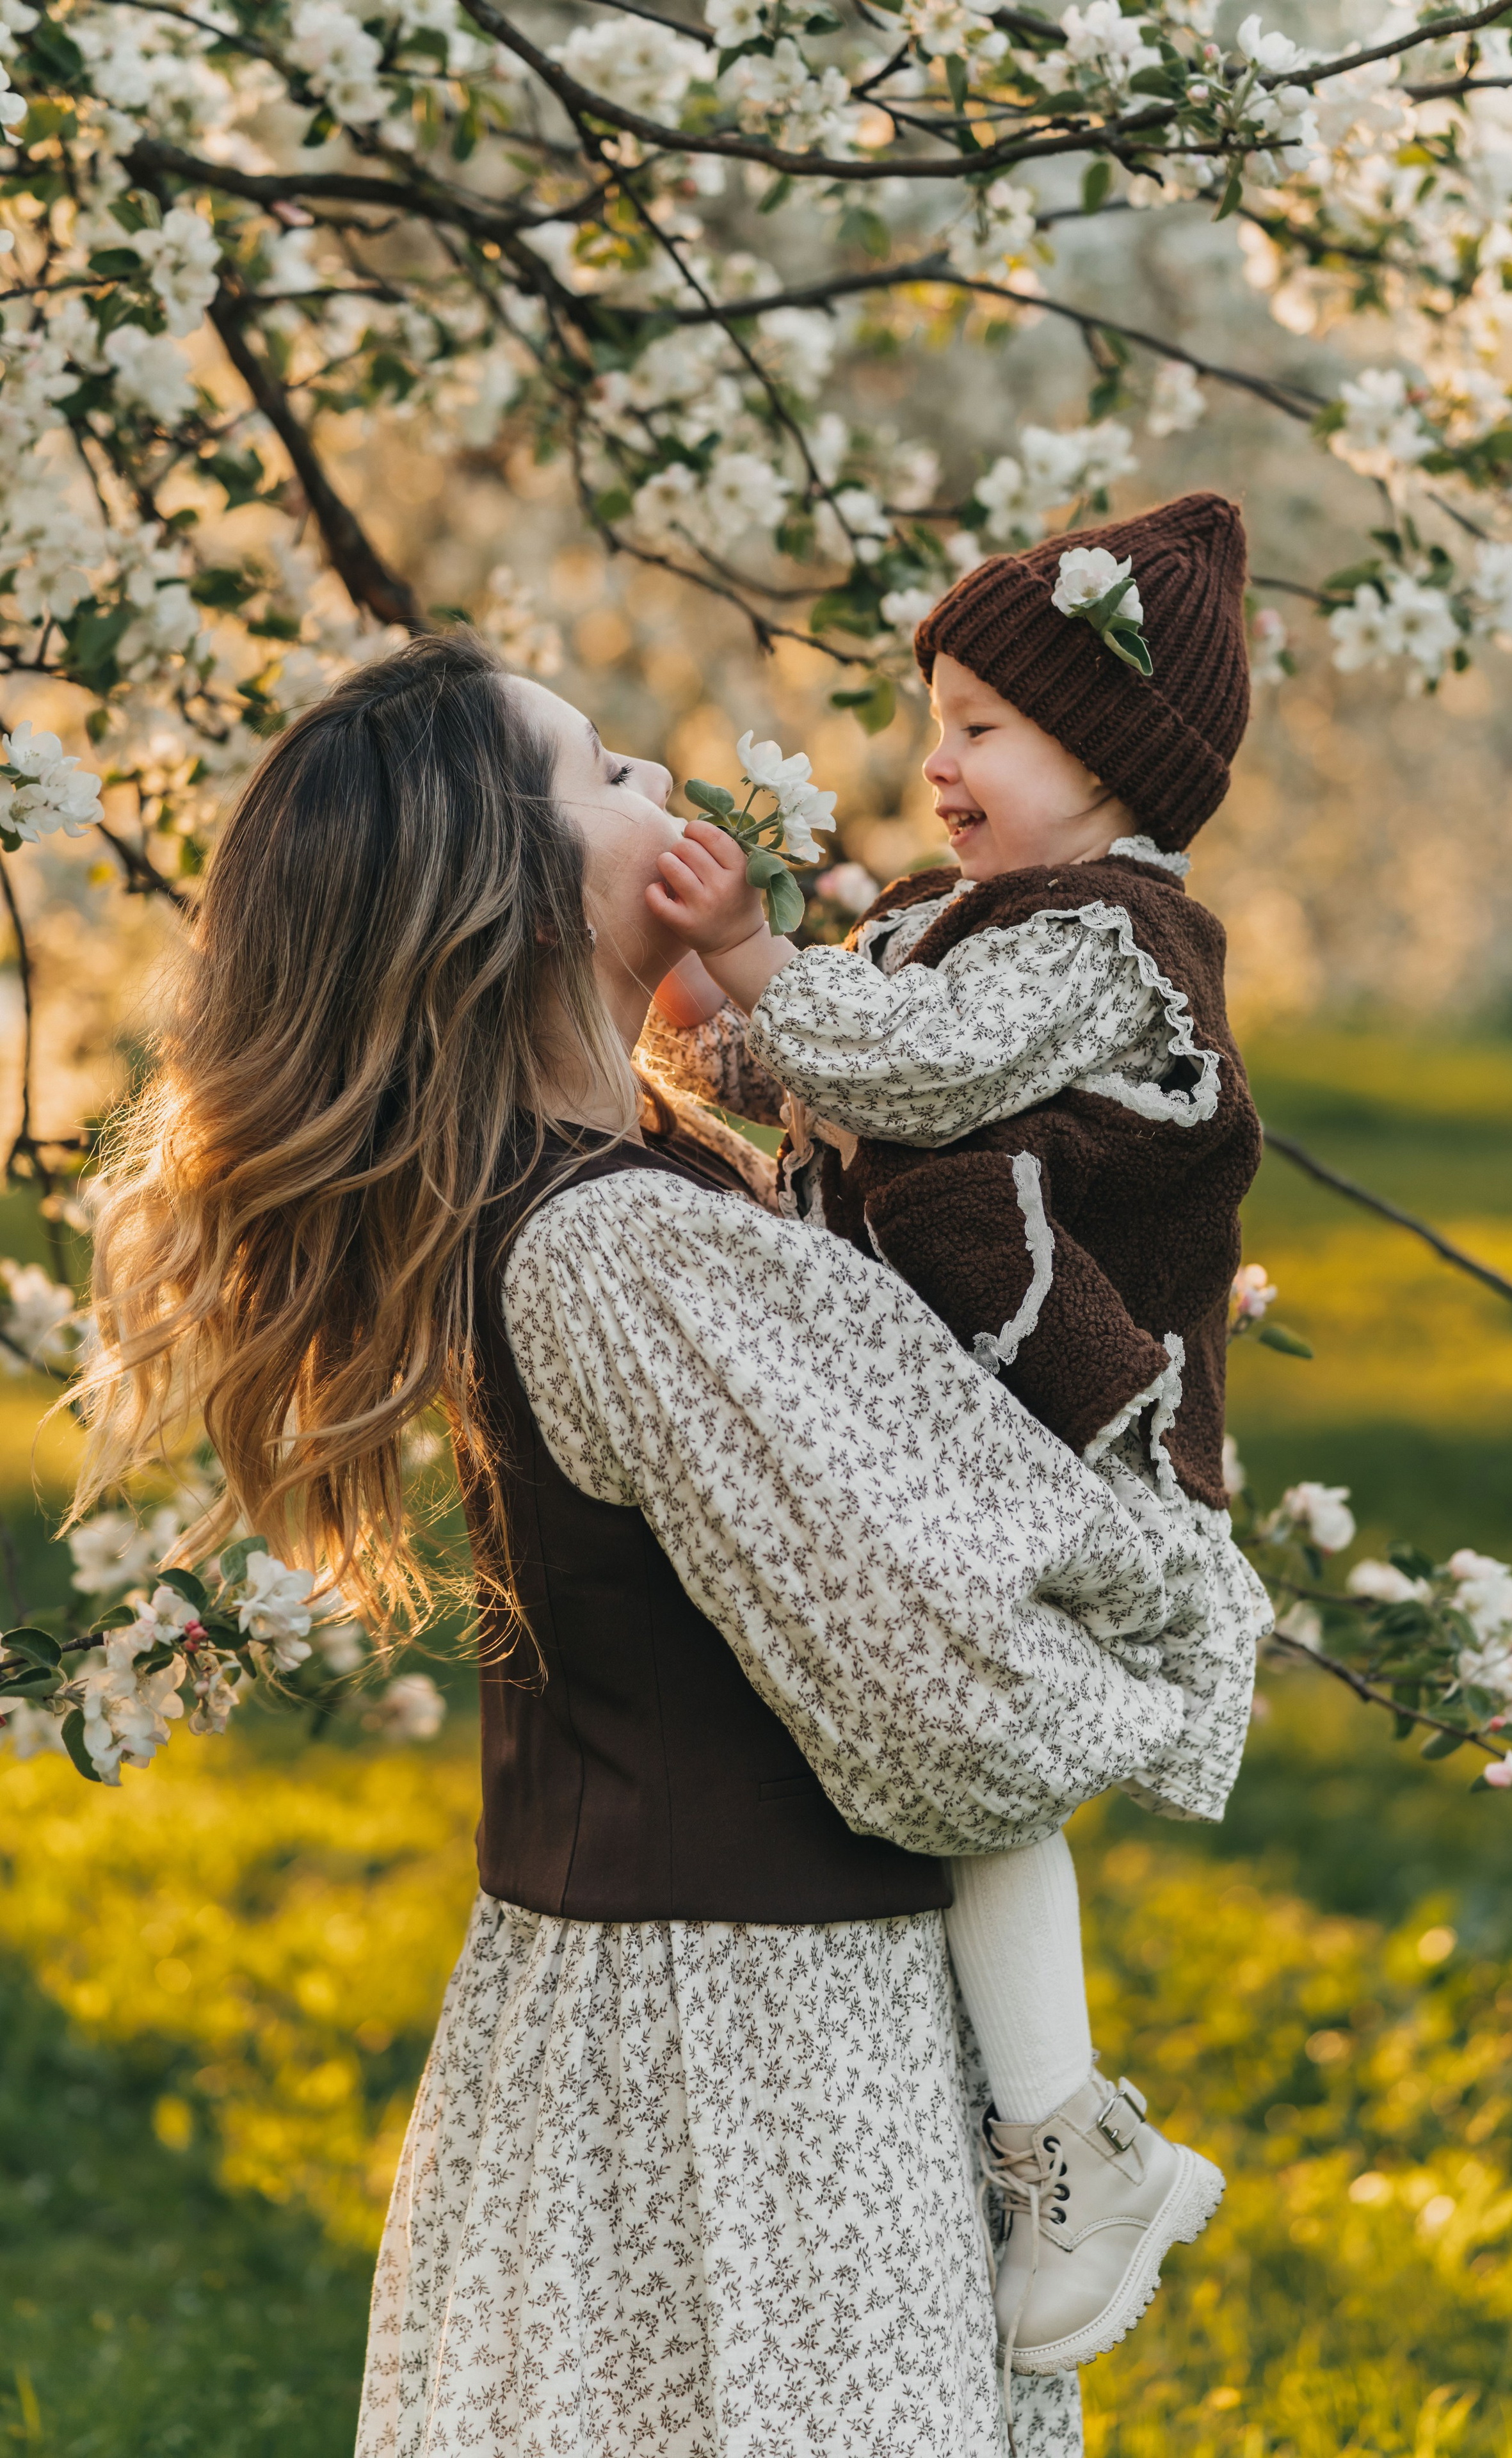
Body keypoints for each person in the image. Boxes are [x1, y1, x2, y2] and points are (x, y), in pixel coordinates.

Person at [68, 628, 1218, 2458]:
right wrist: (1160, 1609)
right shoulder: (628, 1250)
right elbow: (937, 1691)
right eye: (603, 773)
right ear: (508, 904)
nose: (664, 790)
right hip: (746, 2038)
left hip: (659, 2000)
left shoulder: (631, 1192)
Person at [643, 492, 1273, 2375]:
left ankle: (1075, 2138)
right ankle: (1053, 2127)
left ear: (1115, 754)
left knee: (979, 1753)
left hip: (1061, 1418)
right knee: (938, 1750)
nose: (939, 762)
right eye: (941, 718)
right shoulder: (960, 922)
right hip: (948, 1409)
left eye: (987, 725)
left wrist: (764, 966)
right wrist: (691, 1016)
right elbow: (818, 1063)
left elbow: (910, 1069)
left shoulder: (1111, 943)